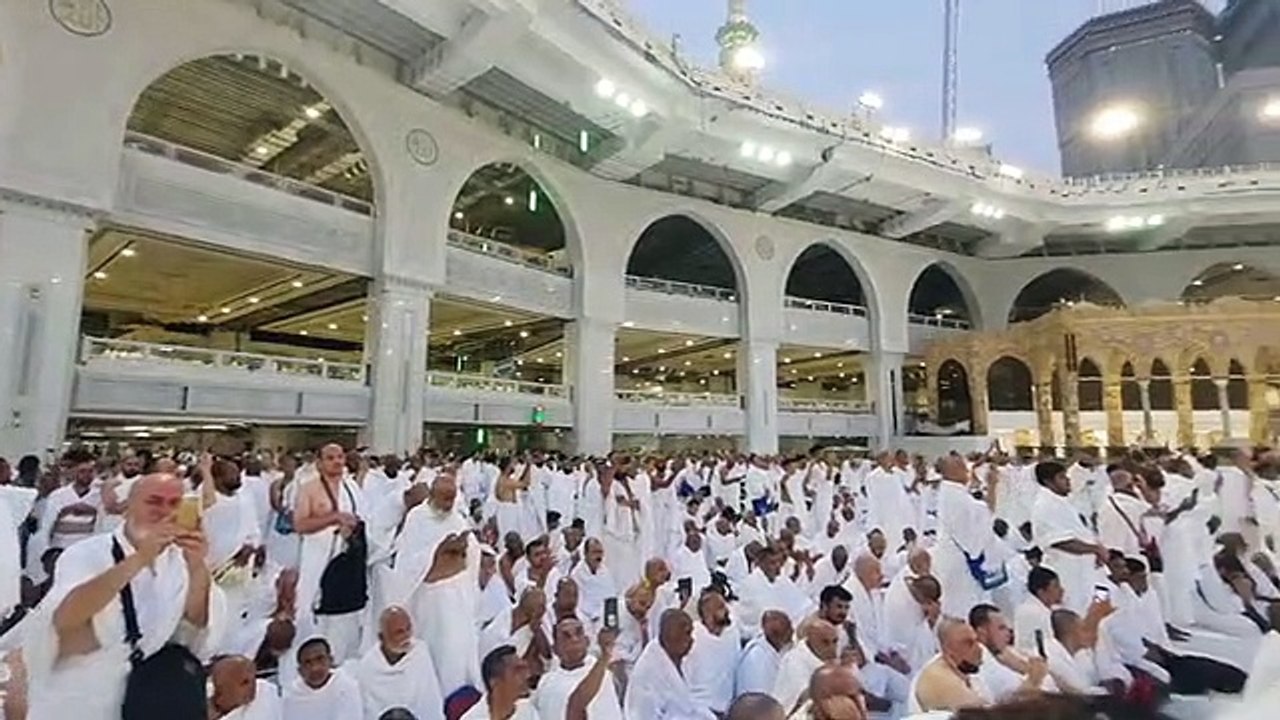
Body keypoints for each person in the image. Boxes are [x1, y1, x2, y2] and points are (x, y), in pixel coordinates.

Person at [25, 473, 226, 720]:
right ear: (127, 508)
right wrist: (140, 559)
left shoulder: (180, 560)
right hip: (77, 697)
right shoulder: (86, 553)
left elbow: (195, 630)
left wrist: (196, 566)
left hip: (143, 697)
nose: (165, 512)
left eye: (175, 503)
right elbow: (66, 618)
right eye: (154, 501)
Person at [389, 469, 482, 698]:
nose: (449, 503)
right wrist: (437, 553)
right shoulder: (417, 518)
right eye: (444, 498)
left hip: (458, 600)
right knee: (435, 654)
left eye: (452, 498)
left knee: (457, 653)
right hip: (429, 602)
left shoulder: (458, 519)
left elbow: (471, 557)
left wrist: (462, 550)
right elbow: (407, 563)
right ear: (432, 495)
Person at [293, 444, 368, 662]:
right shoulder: (309, 488)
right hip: (317, 561)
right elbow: (299, 524)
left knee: (347, 622)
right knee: (313, 615)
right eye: (330, 457)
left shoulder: (351, 487)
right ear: (319, 462)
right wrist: (333, 518)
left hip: (346, 565)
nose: (337, 461)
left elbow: (364, 519)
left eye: (340, 457)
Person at [352, 606, 445, 720]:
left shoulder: (420, 654)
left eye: (408, 629)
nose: (407, 636)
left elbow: (430, 705)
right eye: (399, 632)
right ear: (382, 637)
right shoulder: (368, 665)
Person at [624, 608, 713, 720]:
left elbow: (694, 703)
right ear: (670, 635)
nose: (691, 640)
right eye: (687, 634)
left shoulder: (682, 658)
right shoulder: (648, 673)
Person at [535, 618, 622, 720]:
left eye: (578, 633)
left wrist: (605, 654)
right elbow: (576, 704)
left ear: (587, 641)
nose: (575, 640)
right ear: (555, 649)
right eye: (566, 636)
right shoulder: (546, 682)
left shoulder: (603, 672)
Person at [968, 604, 1052, 703]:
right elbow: (1009, 704)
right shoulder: (982, 661)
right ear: (982, 633)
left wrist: (1027, 668)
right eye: (1001, 628)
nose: (1008, 633)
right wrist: (1034, 678)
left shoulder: (1005, 653)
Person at [913, 619, 997, 712]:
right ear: (948, 650)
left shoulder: (967, 674)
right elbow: (980, 714)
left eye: (977, 641)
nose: (979, 648)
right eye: (968, 643)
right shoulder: (937, 677)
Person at [684, 590, 740, 716]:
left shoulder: (732, 633)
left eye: (725, 606)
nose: (727, 610)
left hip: (727, 708)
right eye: (721, 607)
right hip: (699, 708)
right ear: (708, 614)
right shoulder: (693, 636)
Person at [283, 637, 364, 720]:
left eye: (320, 659)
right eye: (308, 663)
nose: (315, 668)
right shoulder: (291, 697)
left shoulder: (347, 688)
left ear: (330, 660)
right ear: (300, 671)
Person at [773, 619, 837, 714]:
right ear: (811, 640)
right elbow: (805, 698)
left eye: (835, 641)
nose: (832, 647)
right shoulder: (794, 661)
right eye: (825, 642)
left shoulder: (832, 659)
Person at [464, 645, 539, 720]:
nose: (527, 675)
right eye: (517, 671)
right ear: (494, 682)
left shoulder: (527, 712)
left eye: (524, 670)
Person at [734, 609, 791, 697]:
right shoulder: (756, 661)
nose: (792, 632)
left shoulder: (780, 648)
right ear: (776, 636)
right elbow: (759, 697)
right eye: (788, 631)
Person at [208, 654, 282, 719]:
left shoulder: (266, 694)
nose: (253, 685)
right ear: (222, 690)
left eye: (254, 678)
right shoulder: (199, 708)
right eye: (245, 682)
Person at [1013, 567, 1064, 656]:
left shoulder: (1029, 608)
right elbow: (1049, 649)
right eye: (1056, 586)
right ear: (1041, 592)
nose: (1061, 590)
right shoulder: (1036, 613)